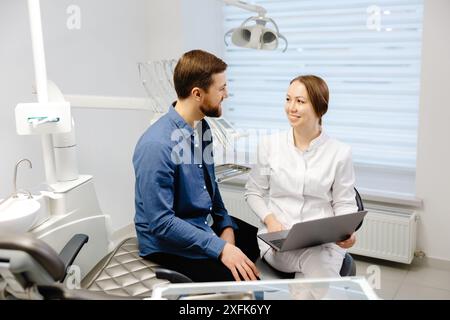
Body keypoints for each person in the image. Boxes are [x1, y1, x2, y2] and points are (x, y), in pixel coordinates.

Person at [133, 50, 260, 282]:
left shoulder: (202, 129)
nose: (227, 94)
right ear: (197, 94)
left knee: (256, 241)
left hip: (201, 222)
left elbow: (211, 190)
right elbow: (161, 223)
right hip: (167, 242)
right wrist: (220, 248)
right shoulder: (156, 145)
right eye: (221, 88)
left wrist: (226, 227)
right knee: (246, 280)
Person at [245, 75, 358, 284]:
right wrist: (270, 219)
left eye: (300, 101)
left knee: (314, 267)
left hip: (324, 244)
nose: (291, 107)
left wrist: (346, 232)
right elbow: (253, 192)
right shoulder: (270, 145)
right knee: (317, 264)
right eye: (288, 99)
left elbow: (345, 202)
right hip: (280, 242)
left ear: (319, 108)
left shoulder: (340, 152)